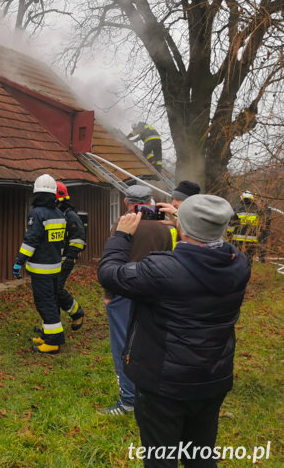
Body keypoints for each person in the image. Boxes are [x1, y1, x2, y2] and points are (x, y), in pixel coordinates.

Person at [98, 195, 250, 467]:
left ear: (184, 228)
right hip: (212, 377)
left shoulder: (163, 270)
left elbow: (109, 273)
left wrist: (122, 236)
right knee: (200, 456)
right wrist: (185, 218)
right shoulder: (238, 263)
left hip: (163, 385)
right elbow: (210, 240)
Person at [98, 185, 177, 415]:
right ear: (150, 201)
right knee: (150, 344)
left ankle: (128, 401)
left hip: (124, 292)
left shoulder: (122, 225)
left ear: (126, 202)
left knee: (123, 345)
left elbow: (112, 261)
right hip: (155, 293)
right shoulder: (165, 227)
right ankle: (149, 393)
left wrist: (109, 295)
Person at [13, 174, 66, 354]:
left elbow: (31, 241)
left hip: (41, 269)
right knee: (51, 301)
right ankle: (49, 335)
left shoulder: (37, 214)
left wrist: (19, 261)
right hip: (55, 267)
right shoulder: (59, 213)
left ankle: (52, 342)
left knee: (45, 304)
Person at [54, 182, 85, 331]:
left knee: (56, 290)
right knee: (50, 292)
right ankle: (50, 325)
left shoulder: (69, 215)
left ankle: (77, 313)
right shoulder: (54, 213)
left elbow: (79, 238)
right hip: (52, 260)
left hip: (65, 259)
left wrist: (71, 257)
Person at [227, 191, 271, 266]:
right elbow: (264, 224)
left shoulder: (237, 209)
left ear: (242, 199)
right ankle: (247, 272)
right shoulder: (258, 211)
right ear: (252, 199)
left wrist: (229, 236)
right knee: (249, 259)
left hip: (237, 240)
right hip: (252, 240)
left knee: (237, 258)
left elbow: (231, 225)